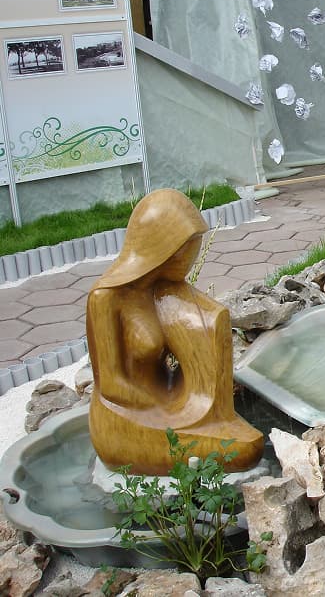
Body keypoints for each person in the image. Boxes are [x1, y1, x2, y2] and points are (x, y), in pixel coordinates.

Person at [86, 188, 263, 475]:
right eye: (188, 247)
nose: (192, 256)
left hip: (168, 404)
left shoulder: (164, 292)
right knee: (244, 450)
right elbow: (110, 385)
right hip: (126, 418)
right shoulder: (106, 298)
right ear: (162, 248)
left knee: (246, 444)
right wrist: (168, 410)